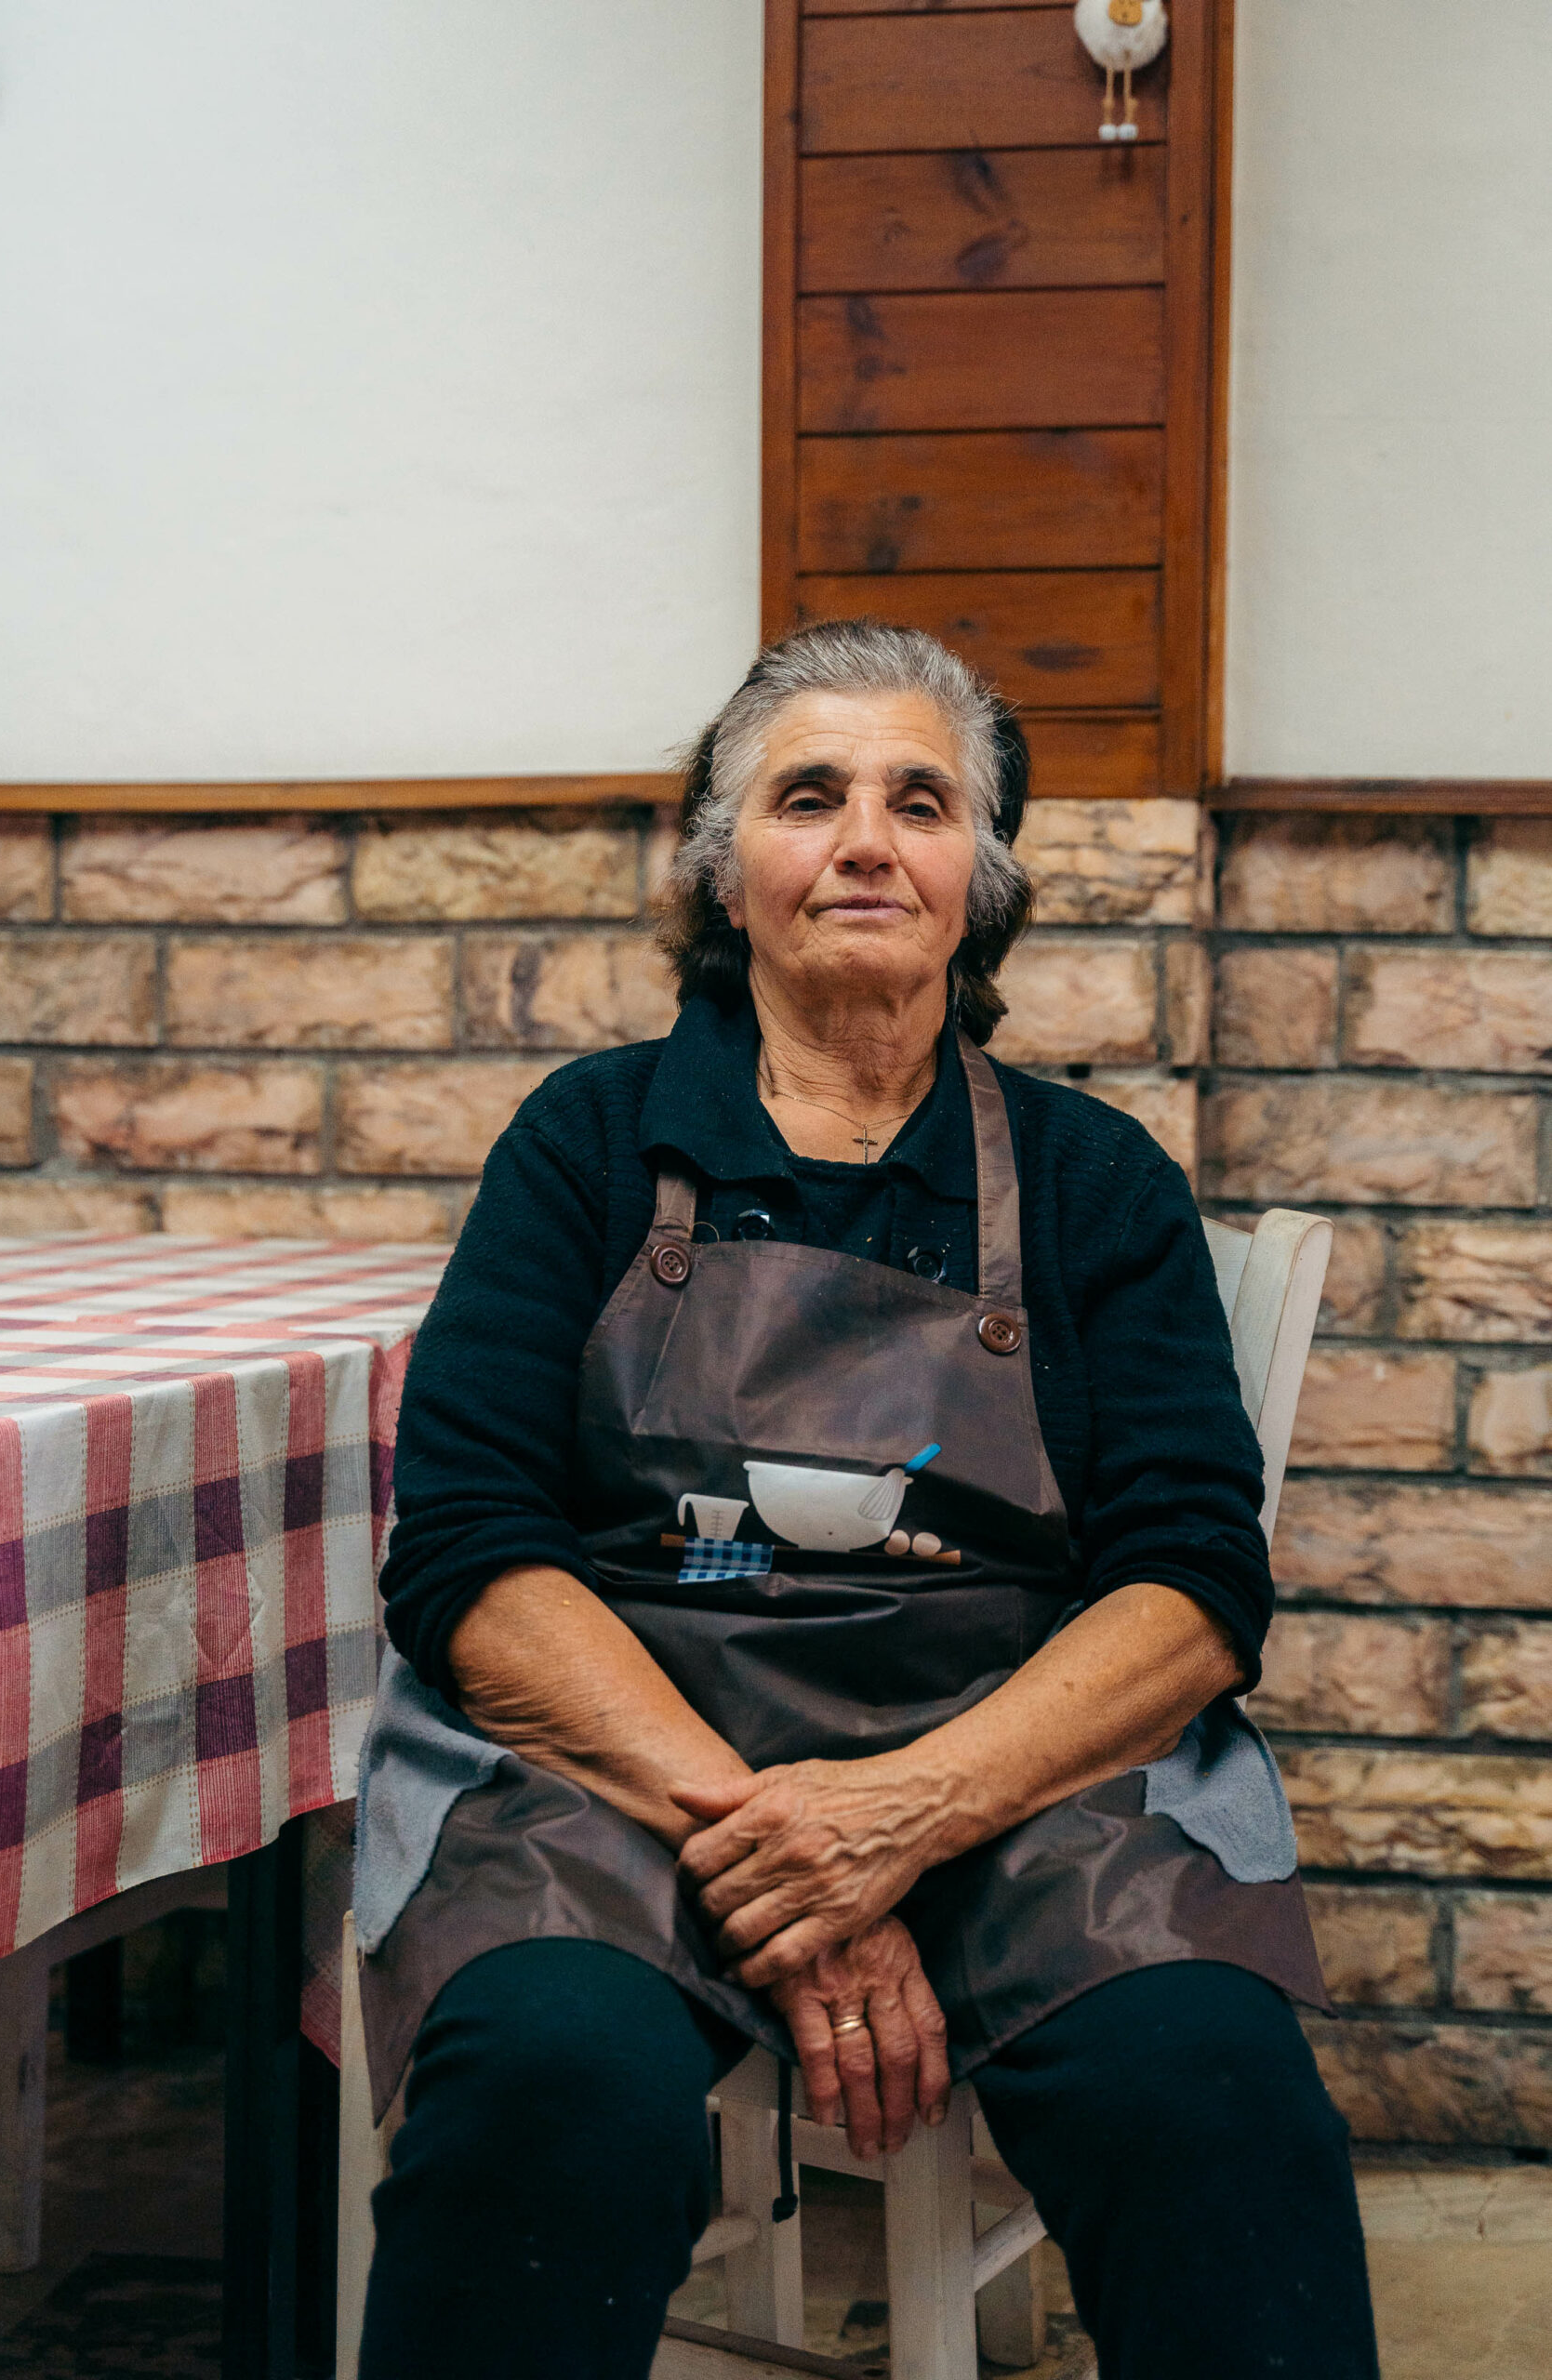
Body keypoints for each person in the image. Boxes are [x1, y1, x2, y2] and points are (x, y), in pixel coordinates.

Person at [352, 621, 1378, 2380]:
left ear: (978, 880)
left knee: (1205, 2087)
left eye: (920, 800)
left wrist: (906, 1814)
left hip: (1019, 1780)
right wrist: (795, 1853)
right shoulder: (588, 1145)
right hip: (625, 1782)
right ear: (722, 868)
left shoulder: (1087, 1178)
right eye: (806, 795)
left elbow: (1195, 1581)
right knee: (549, 2084)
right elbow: (466, 1548)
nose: (862, 839)